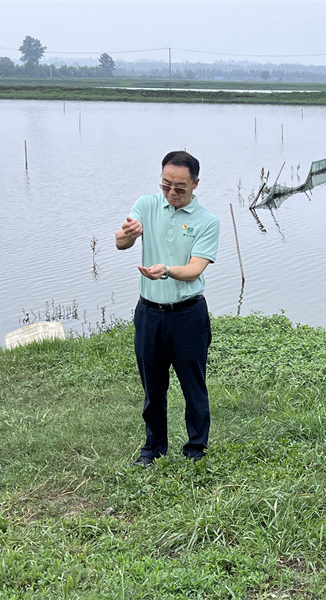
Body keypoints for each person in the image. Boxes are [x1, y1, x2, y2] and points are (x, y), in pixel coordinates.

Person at [116, 150, 220, 466]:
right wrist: (127, 235)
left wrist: (166, 270)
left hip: (188, 315)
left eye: (180, 187)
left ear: (195, 184)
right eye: (166, 185)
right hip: (149, 313)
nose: (172, 193)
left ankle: (196, 450)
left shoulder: (207, 221)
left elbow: (195, 269)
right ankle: (153, 449)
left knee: (193, 386)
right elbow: (121, 242)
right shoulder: (147, 205)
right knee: (153, 387)